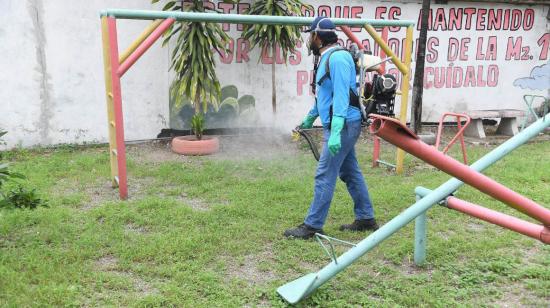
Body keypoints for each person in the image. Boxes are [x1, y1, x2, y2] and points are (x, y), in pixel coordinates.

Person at [284, 16, 378, 239]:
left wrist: (335, 132)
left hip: (343, 124)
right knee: (349, 171)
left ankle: (312, 226)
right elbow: (325, 96)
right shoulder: (327, 58)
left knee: (325, 173)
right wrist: (309, 119)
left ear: (317, 36)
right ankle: (366, 217)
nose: (309, 40)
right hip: (340, 124)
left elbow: (343, 97)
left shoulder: (338, 59)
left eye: (310, 35)